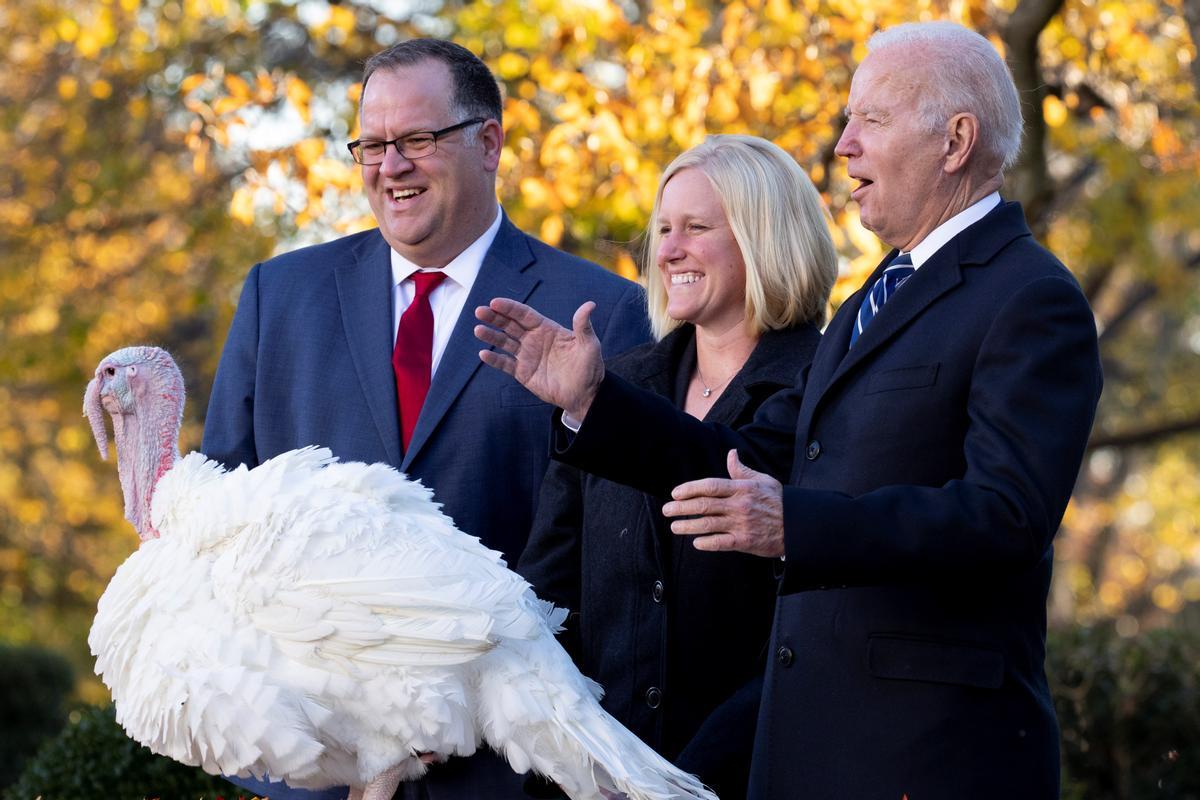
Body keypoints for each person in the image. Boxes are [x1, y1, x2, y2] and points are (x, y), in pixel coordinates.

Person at [476, 21, 1103, 800]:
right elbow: (751, 465)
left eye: (869, 120)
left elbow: (1006, 516)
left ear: (956, 140)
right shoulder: (872, 301)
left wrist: (796, 526)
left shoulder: (1030, 296)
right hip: (814, 754)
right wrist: (593, 403)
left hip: (930, 757)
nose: (844, 146)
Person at [202, 39, 649, 800]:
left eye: (415, 140)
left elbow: (619, 560)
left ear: (489, 142)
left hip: (505, 772)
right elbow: (219, 530)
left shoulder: (600, 313)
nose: (390, 166)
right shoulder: (279, 298)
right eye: (371, 145)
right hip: (315, 768)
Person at [516, 135, 837, 798]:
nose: (667, 251)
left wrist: (678, 783)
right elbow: (549, 593)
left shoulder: (828, 387)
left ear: (763, 237)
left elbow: (807, 634)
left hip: (753, 775)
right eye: (663, 229)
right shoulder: (618, 382)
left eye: (696, 228)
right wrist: (573, 758)